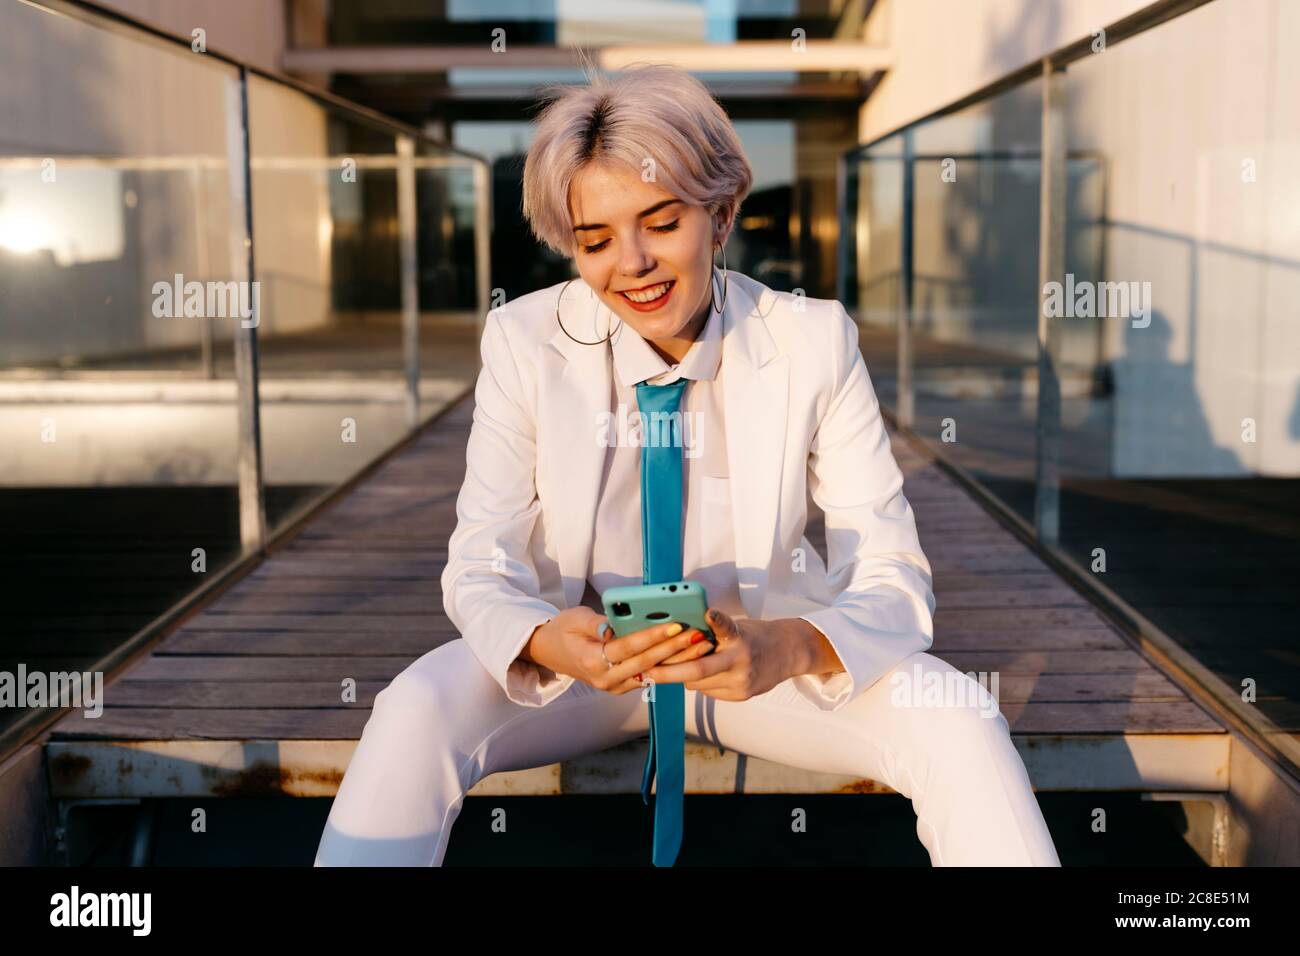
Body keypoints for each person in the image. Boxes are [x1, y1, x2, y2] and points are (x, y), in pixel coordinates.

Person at [314, 62, 1061, 867]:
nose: (630, 264)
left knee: (958, 716)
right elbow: (478, 564)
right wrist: (543, 639)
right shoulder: (524, 342)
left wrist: (789, 646)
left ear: (721, 212)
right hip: (584, 670)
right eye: (594, 241)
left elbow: (893, 577)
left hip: (755, 671)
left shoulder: (813, 340)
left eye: (661, 222)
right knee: (413, 708)